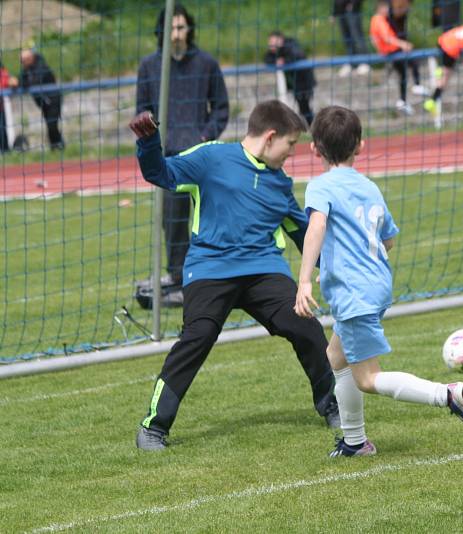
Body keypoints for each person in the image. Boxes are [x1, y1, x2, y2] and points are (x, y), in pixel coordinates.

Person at [128, 100, 340, 451]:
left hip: (263, 271)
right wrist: (149, 142)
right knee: (198, 336)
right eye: (290, 145)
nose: (291, 154)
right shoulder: (211, 157)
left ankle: (332, 405)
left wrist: (343, 265)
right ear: (271, 137)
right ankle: (153, 427)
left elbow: (305, 236)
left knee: (305, 326)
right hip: (209, 269)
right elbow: (160, 174)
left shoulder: (279, 183)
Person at [294, 105, 463, 458]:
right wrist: (339, 264)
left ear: (314, 149)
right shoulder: (369, 187)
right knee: (336, 357)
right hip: (376, 284)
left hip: (355, 293)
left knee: (367, 378)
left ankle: (449, 395)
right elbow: (388, 240)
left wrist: (304, 280)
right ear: (361, 146)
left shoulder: (320, 186)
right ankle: (355, 442)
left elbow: (317, 226)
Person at [135, 3, 229, 300]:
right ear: (161, 31)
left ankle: (215, 274)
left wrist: (205, 135)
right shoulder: (149, 66)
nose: (176, 33)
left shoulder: (207, 64)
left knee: (212, 218)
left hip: (203, 156)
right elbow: (142, 109)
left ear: (189, 28)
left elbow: (222, 108)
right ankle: (178, 277)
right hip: (169, 159)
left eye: (181, 26)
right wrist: (154, 136)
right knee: (173, 222)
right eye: (171, 28)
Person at [370, 0, 427, 116]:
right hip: (392, 51)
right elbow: (387, 38)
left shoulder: (380, 20)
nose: (388, 11)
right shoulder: (378, 19)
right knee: (413, 61)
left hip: (391, 51)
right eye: (386, 8)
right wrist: (403, 44)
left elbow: (373, 37)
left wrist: (379, 48)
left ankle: (402, 101)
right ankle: (416, 86)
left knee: (403, 74)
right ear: (380, 8)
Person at [14, 46, 64, 150]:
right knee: (49, 124)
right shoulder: (27, 69)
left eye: (23, 61)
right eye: (21, 61)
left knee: (52, 125)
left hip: (53, 99)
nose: (22, 64)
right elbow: (20, 79)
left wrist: (20, 83)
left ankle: (58, 146)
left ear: (30, 58)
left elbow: (34, 82)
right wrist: (16, 82)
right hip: (43, 102)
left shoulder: (41, 66)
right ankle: (56, 147)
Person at [264, 31, 316, 126]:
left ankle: (312, 126)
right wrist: (277, 60)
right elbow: (267, 59)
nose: (271, 45)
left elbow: (296, 55)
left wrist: (284, 60)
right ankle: (309, 126)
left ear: (280, 40)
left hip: (303, 82)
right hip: (293, 83)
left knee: (304, 107)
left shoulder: (291, 45)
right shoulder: (277, 51)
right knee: (301, 107)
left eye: (273, 42)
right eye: (270, 43)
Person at [333, 0, 371, 77]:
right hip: (341, 12)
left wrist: (353, 4)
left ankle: (364, 62)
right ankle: (352, 63)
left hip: (353, 11)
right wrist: (334, 13)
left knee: (357, 37)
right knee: (347, 39)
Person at [0, 58, 16, 153]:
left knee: (2, 131)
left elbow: (12, 81)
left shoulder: (2, 72)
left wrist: (11, 81)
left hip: (0, 108)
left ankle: (5, 151)